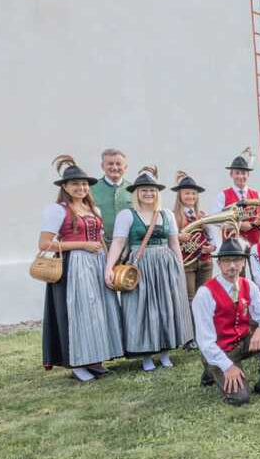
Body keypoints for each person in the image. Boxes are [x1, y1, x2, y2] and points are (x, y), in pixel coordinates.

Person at [40, 155, 124, 382]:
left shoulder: (93, 209)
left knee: (98, 312)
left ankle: (95, 359)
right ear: (65, 187)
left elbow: (102, 240)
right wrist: (83, 245)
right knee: (77, 313)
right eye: (76, 184)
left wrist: (109, 265)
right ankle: (77, 362)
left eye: (84, 183)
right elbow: (45, 244)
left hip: (96, 264)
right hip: (73, 266)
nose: (81, 187)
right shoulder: (58, 210)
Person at [105, 167, 195, 371]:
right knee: (142, 308)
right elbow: (118, 243)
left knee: (166, 306)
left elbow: (174, 243)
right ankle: (146, 355)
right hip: (141, 265)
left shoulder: (166, 214)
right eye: (144, 190)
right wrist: (108, 268)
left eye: (152, 190)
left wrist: (179, 269)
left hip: (165, 264)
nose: (148, 193)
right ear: (136, 192)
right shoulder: (127, 215)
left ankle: (164, 352)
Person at [192, 238, 260, 404]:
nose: (232, 265)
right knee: (241, 398)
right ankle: (212, 368)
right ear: (219, 263)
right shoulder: (204, 293)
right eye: (227, 260)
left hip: (243, 342)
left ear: (243, 263)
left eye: (237, 260)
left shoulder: (248, 285)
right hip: (220, 351)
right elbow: (205, 341)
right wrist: (228, 366)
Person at [172, 171, 215, 302]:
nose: (190, 196)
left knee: (205, 297)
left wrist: (212, 247)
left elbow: (212, 236)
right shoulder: (173, 216)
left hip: (205, 261)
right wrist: (178, 237)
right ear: (180, 195)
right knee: (189, 298)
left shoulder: (201, 214)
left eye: (193, 193)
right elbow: (169, 237)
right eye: (187, 193)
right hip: (187, 263)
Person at [209, 152, 260, 248]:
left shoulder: (257, 195)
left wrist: (259, 221)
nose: (240, 176)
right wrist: (239, 225)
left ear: (248, 174)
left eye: (243, 173)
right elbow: (215, 219)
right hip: (232, 246)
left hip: (255, 245)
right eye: (237, 173)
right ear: (231, 174)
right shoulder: (222, 195)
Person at [90, 148, 132, 245]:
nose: (114, 167)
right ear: (102, 166)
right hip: (99, 245)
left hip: (128, 246)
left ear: (125, 166)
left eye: (118, 164)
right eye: (110, 164)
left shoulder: (134, 189)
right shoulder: (90, 189)